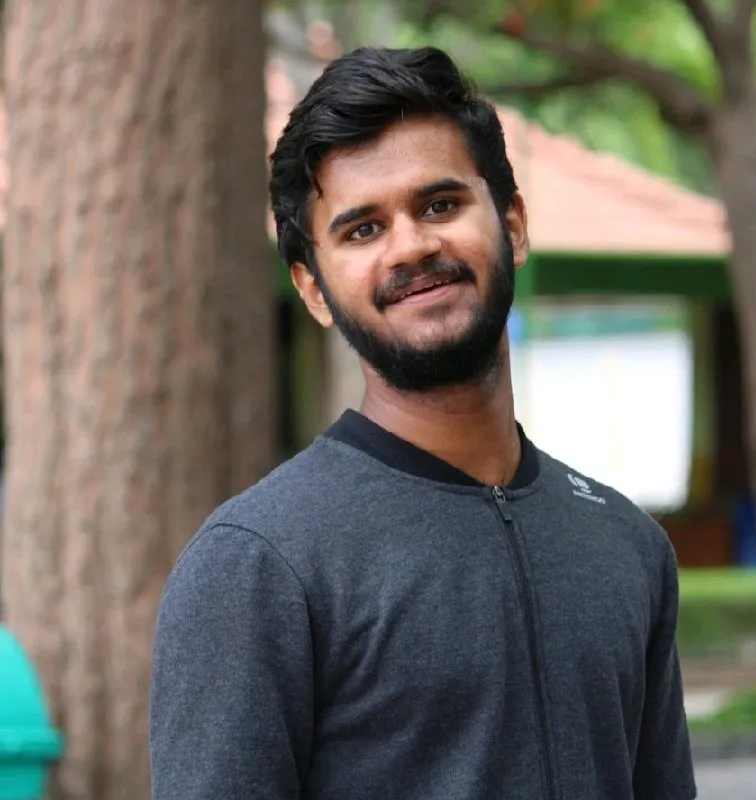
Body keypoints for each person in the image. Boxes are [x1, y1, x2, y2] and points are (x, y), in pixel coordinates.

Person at [149, 46, 696, 800]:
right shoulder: (257, 565)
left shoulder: (626, 544)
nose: (411, 246)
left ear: (512, 225)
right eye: (362, 230)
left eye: (439, 205)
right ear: (314, 289)